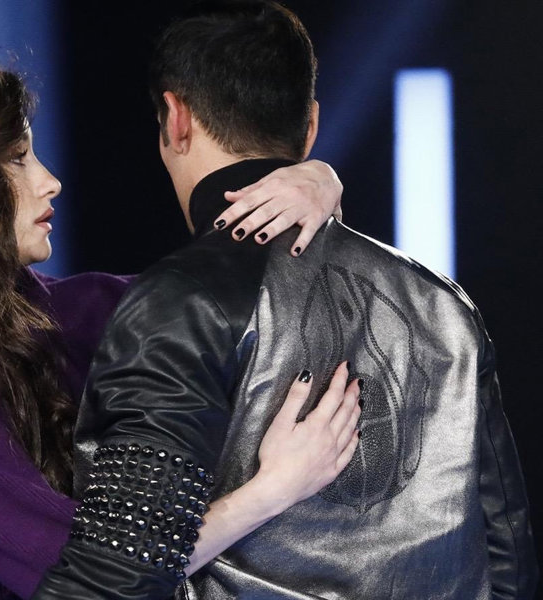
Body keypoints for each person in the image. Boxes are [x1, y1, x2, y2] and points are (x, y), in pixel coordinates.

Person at [34, 2, 538, 599]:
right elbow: (507, 557)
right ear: (312, 124)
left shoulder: (180, 301)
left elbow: (113, 578)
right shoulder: (443, 304)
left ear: (176, 118)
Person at [0, 54, 355, 599]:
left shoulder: (82, 310)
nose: (50, 181)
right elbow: (93, 578)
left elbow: (257, 305)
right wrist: (272, 489)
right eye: (17, 159)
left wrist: (317, 183)